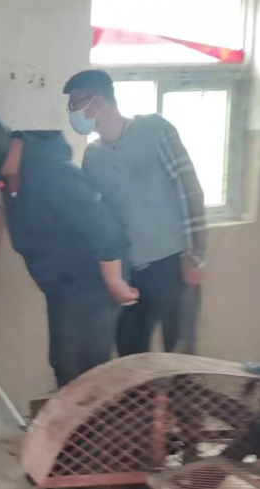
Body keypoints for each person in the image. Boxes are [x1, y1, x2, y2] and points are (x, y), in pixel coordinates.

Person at [0, 108, 138, 388]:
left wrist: (114, 282)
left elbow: (104, 227)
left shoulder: (52, 173)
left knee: (84, 375)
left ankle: (90, 417)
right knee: (63, 365)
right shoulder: (10, 166)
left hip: (89, 286)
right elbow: (7, 187)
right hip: (63, 288)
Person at [63, 70, 207, 357]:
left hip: (174, 264)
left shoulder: (156, 130)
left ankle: (179, 387)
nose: (72, 114)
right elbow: (98, 217)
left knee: (181, 355)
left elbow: (188, 188)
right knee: (130, 353)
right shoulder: (92, 157)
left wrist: (195, 255)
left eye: (74, 105)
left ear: (96, 101)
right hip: (129, 272)